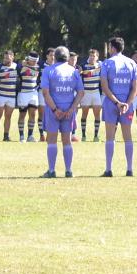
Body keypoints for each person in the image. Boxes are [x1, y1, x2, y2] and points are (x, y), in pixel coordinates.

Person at [39, 46, 84, 178]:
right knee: (67, 141)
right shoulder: (74, 71)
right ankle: (68, 171)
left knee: (51, 140)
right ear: (67, 57)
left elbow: (45, 92)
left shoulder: (48, 70)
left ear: (55, 57)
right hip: (68, 110)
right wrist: (72, 109)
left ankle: (52, 170)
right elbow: (81, 92)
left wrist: (54, 109)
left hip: (53, 110)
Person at [99, 37, 137, 177]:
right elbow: (135, 87)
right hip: (127, 104)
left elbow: (104, 87)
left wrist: (117, 102)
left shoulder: (107, 63)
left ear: (112, 48)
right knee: (128, 136)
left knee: (110, 137)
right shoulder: (132, 63)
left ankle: (108, 169)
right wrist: (127, 103)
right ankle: (130, 169)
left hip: (111, 103)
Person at [0, 49, 18, 142]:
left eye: (8, 58)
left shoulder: (17, 66)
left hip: (11, 95)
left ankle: (6, 136)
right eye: (5, 58)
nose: (6, 59)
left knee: (8, 116)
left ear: (12, 57)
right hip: (0, 95)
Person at [17, 52, 42, 142]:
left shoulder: (38, 67)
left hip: (33, 93)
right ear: (29, 59)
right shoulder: (21, 66)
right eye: (33, 60)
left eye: (36, 60)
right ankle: (21, 136)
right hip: (23, 93)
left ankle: (30, 136)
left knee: (33, 114)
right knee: (22, 114)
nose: (35, 62)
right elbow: (16, 68)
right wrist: (22, 63)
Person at [79, 48, 103, 142]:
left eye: (94, 56)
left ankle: (96, 136)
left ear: (97, 57)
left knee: (97, 114)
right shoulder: (83, 65)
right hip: (86, 93)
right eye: (91, 56)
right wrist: (92, 70)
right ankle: (83, 135)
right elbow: (80, 73)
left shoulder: (100, 65)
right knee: (84, 114)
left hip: (96, 93)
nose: (92, 57)